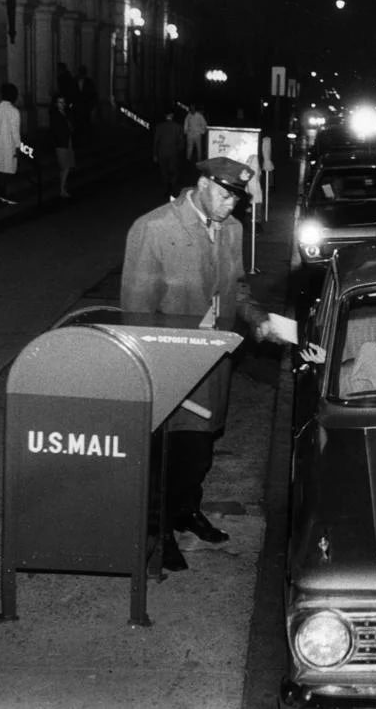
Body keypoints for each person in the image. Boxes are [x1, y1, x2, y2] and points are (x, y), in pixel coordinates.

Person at [120, 156, 281, 572]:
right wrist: (154, 374)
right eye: (225, 196)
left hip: (214, 361)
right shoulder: (154, 229)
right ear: (204, 183)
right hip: (171, 364)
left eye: (237, 200)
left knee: (200, 449)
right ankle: (158, 531)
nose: (231, 206)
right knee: (166, 453)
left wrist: (257, 317)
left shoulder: (232, 229)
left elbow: (237, 287)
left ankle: (186, 512)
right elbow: (136, 314)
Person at [152, 107, 184, 198]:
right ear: (172, 116)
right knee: (174, 171)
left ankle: (167, 188)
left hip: (161, 152)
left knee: (164, 171)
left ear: (165, 116)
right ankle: (173, 188)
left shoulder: (159, 126)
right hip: (173, 152)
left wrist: (154, 154)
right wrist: (178, 151)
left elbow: (156, 141)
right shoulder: (178, 127)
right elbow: (181, 142)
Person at [49, 92, 76, 198]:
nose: (62, 104)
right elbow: (56, 130)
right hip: (61, 143)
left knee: (66, 166)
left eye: (63, 102)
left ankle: (63, 187)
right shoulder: (55, 114)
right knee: (65, 166)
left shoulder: (65, 113)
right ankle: (62, 189)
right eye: (60, 102)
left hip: (67, 141)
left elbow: (70, 125)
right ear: (56, 103)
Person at [73, 65, 98, 144]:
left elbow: (93, 95)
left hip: (85, 107)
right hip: (77, 107)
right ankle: (79, 141)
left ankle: (85, 141)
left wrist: (90, 106)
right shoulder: (74, 81)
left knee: (85, 125)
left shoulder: (89, 82)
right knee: (77, 125)